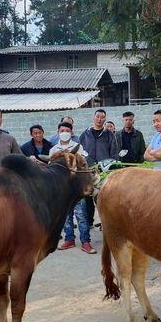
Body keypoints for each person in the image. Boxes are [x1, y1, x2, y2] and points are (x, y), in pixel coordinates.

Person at [49, 121, 96, 255]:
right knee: (65, 216)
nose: (65, 133)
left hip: (76, 188)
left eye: (67, 131)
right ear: (58, 132)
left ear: (71, 133)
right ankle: (69, 239)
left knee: (81, 215)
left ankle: (85, 241)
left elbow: (83, 164)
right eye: (62, 130)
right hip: (62, 189)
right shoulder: (53, 150)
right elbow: (51, 168)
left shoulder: (78, 147)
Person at [79, 109, 119, 226]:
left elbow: (114, 153)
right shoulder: (85, 134)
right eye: (98, 116)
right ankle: (89, 222)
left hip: (103, 172)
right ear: (93, 117)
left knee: (103, 198)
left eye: (102, 117)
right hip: (88, 172)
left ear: (105, 119)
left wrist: (108, 167)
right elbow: (80, 153)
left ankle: (105, 223)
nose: (100, 119)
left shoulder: (109, 135)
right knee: (87, 198)